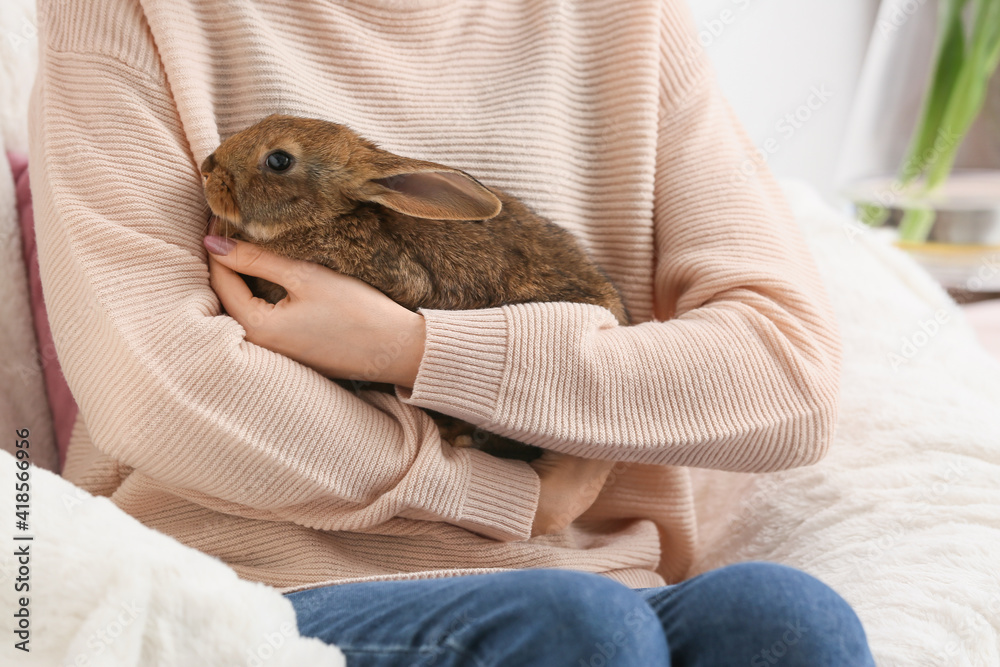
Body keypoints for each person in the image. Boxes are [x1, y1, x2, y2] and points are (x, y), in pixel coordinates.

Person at [32, 0, 875, 664]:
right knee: (579, 633)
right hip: (255, 589)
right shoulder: (128, 11)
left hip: (595, 584)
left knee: (787, 618)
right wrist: (508, 495)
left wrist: (412, 351)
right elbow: (162, 391)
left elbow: (786, 373)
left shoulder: (627, 17)